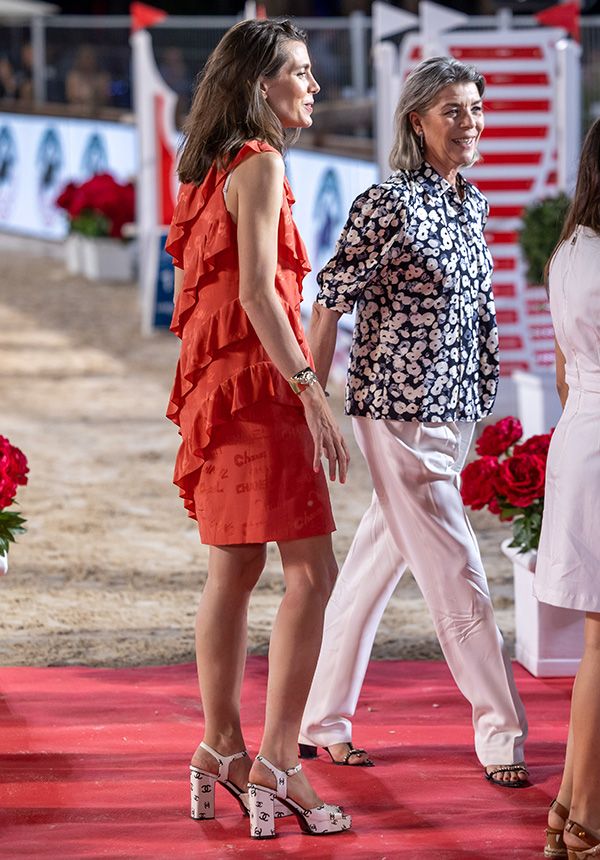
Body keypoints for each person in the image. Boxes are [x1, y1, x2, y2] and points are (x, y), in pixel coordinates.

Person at [298, 55, 529, 787]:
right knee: (459, 573)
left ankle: (320, 719)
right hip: (396, 413)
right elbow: (330, 297)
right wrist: (312, 398)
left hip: (457, 409)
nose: (470, 123)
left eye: (476, 109)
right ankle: (501, 730)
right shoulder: (388, 202)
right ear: (417, 120)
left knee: (373, 568)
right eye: (454, 110)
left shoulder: (473, 202)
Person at [164, 19, 351, 839]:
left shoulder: (209, 165)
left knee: (232, 572)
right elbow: (256, 294)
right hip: (264, 390)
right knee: (313, 572)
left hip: (223, 393)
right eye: (300, 73)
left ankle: (220, 749)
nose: (313, 86)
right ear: (258, 85)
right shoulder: (263, 162)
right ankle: (280, 762)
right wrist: (311, 390)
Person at [534, 118, 600, 859]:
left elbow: (559, 373)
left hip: (581, 437)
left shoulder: (570, 250)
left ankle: (570, 810)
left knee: (597, 646)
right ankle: (583, 822)